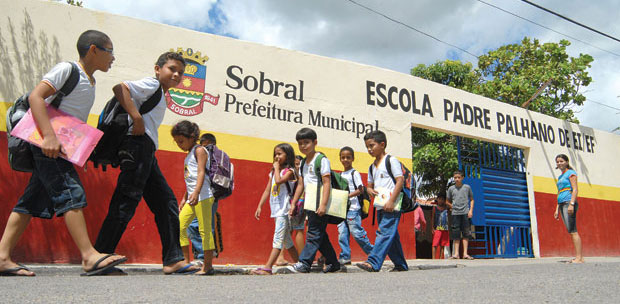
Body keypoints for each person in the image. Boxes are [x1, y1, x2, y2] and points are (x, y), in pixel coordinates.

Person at [0, 30, 127, 276]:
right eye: (109, 51)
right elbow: (37, 97)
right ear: (93, 49)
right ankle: (89, 256)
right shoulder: (68, 70)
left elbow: (70, 120)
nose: (113, 58)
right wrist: (48, 137)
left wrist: (79, 151)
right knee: (71, 192)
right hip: (47, 145)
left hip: (60, 147)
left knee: (31, 201)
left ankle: (2, 257)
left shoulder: (90, 81)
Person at [94, 51, 199, 274]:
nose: (176, 74)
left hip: (146, 151)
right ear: (157, 68)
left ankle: (172, 259)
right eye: (172, 69)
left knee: (166, 202)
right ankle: (101, 255)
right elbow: (120, 88)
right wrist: (137, 117)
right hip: (137, 146)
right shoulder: (152, 84)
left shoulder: (160, 92)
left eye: (180, 72)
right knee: (126, 200)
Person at [286, 128, 340, 273]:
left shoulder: (321, 160)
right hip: (309, 203)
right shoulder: (303, 162)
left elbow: (326, 183)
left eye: (306, 142)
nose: (303, 146)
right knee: (320, 235)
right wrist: (294, 203)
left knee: (314, 233)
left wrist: (323, 205)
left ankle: (304, 263)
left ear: (315, 142)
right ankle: (334, 263)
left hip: (321, 204)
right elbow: (301, 184)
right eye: (300, 143)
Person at [356, 130, 409, 272]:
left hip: (392, 206)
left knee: (384, 232)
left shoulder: (391, 160)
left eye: (372, 146)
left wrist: (391, 201)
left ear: (382, 144)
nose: (369, 149)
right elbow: (369, 186)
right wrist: (369, 190)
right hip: (380, 206)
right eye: (367, 147)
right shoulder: (372, 167)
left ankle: (373, 262)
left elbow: (400, 180)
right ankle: (401, 265)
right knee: (391, 237)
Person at [171, 121, 217, 275]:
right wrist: (185, 198)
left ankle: (208, 266)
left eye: (181, 141)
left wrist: (196, 192)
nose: (179, 144)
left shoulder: (199, 150)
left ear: (192, 137)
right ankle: (185, 262)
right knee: (180, 225)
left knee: (205, 231)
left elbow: (201, 173)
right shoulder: (189, 154)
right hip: (193, 197)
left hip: (203, 196)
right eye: (177, 142)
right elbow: (190, 179)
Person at [251, 143, 300, 275]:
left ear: (288, 155)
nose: (277, 157)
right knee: (287, 241)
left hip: (284, 210)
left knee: (278, 238)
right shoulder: (273, 172)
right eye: (275, 154)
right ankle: (300, 263)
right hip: (276, 210)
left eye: (280, 154)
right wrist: (260, 205)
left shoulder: (289, 171)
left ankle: (268, 267)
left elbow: (279, 181)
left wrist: (277, 169)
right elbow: (268, 189)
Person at [186, 133, 220, 264]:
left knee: (204, 227)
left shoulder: (211, 157)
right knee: (192, 225)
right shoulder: (198, 154)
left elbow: (201, 174)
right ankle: (204, 254)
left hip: (207, 196)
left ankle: (204, 258)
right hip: (196, 196)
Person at [336, 146, 374, 265]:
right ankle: (345, 256)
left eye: (348, 157)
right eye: (343, 157)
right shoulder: (341, 175)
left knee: (357, 233)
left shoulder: (355, 173)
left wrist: (347, 196)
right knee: (342, 234)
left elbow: (361, 189)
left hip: (353, 209)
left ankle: (374, 253)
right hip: (342, 210)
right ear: (340, 159)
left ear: (353, 158)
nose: (345, 160)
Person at [554, 154, 584, 263]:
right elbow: (559, 192)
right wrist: (557, 208)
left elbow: (575, 189)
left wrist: (571, 203)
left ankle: (579, 258)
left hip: (568, 203)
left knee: (573, 230)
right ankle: (578, 257)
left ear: (566, 162)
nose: (559, 163)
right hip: (562, 203)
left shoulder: (571, 173)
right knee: (570, 230)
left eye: (561, 161)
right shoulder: (560, 177)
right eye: (557, 162)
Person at [446, 170, 474, 260]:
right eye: (455, 178)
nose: (457, 179)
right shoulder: (451, 189)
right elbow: (447, 201)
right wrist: (452, 206)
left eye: (458, 177)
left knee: (466, 234)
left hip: (465, 213)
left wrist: (470, 211)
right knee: (455, 234)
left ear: (462, 178)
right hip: (455, 214)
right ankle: (456, 254)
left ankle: (465, 254)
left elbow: (472, 199)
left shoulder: (467, 187)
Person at [431, 195, 450, 259]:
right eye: (439, 199)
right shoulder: (435, 208)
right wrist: (432, 227)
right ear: (437, 200)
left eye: (442, 199)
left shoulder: (446, 208)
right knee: (435, 243)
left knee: (443, 244)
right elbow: (432, 218)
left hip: (445, 228)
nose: (441, 201)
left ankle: (440, 257)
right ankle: (433, 258)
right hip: (437, 228)